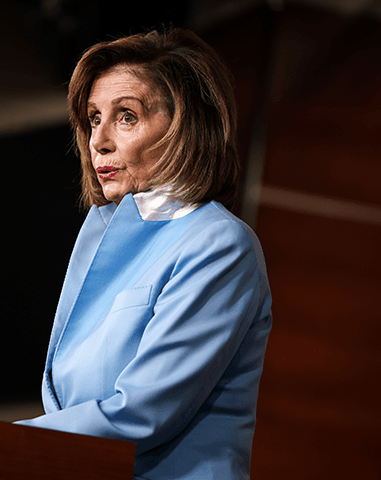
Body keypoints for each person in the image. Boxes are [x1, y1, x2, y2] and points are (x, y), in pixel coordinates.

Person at [15, 26, 272, 480]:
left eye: (126, 116)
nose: (99, 140)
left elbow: (141, 411)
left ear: (184, 127)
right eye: (94, 118)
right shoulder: (102, 231)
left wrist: (5, 441)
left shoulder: (219, 245)